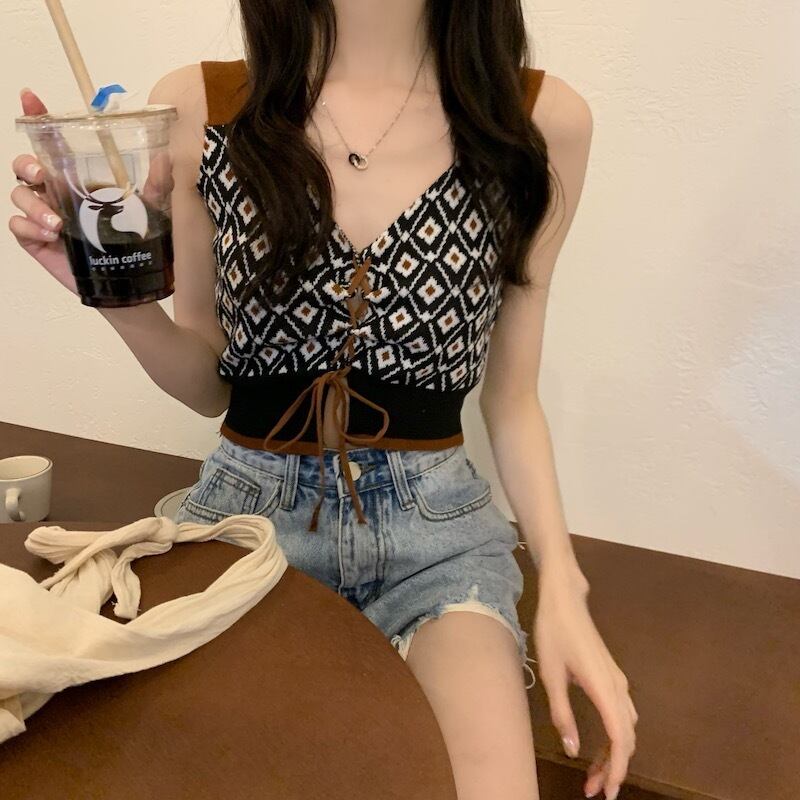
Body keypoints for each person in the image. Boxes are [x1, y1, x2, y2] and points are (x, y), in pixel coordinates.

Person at [9, 2, 637, 797]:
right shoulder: (204, 106)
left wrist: (564, 587)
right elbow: (209, 384)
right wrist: (115, 299)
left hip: (436, 538)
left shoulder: (539, 122)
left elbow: (511, 400)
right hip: (248, 521)